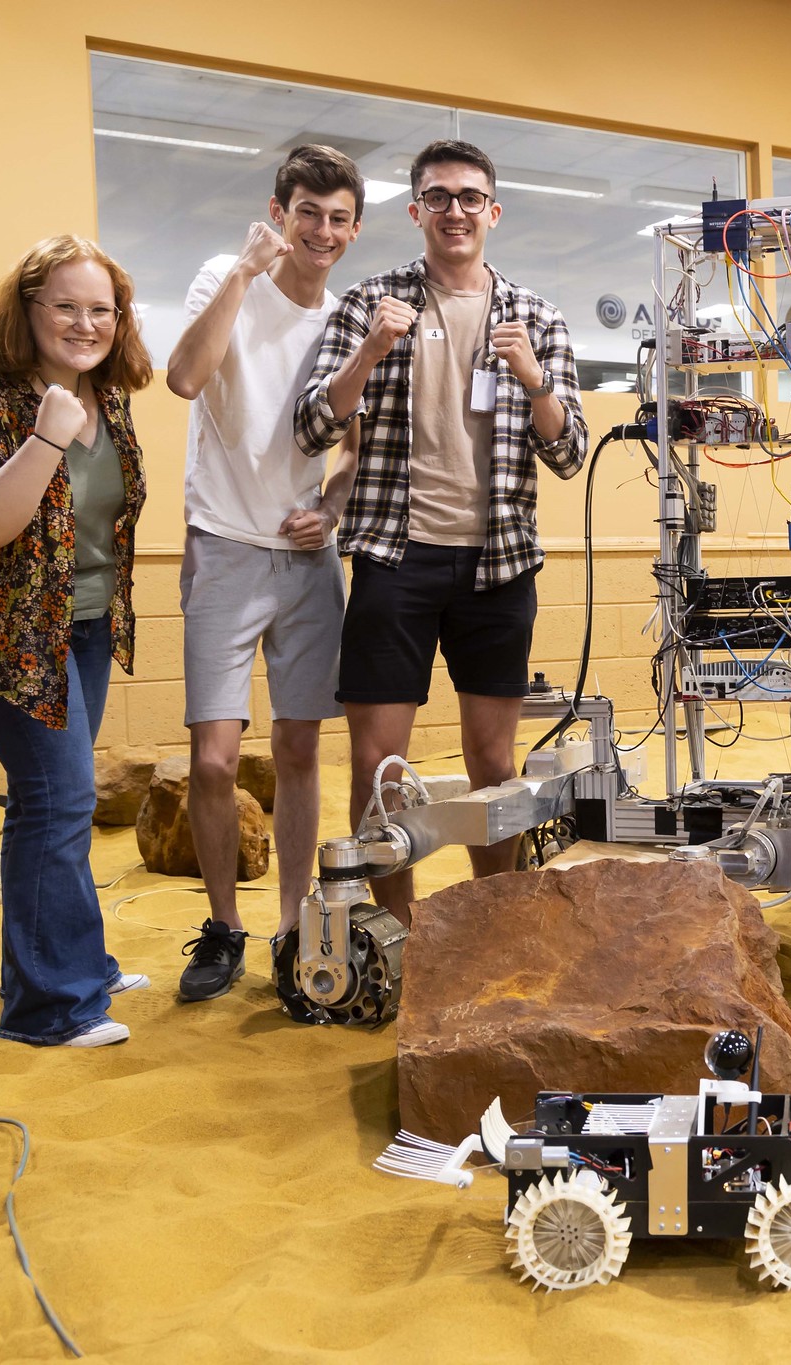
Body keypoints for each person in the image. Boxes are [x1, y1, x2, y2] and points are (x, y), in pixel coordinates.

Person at [293, 139, 585, 914]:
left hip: (498, 563)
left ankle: (499, 927)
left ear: (492, 211)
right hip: (396, 555)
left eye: (469, 197)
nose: (454, 210)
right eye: (438, 196)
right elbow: (314, 426)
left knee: (495, 760)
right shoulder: (368, 303)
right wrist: (371, 349)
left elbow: (568, 452)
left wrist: (534, 380)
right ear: (416, 209)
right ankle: (395, 935)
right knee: (379, 766)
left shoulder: (537, 318)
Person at [0, 236, 153, 1047]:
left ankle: (61, 963)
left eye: (102, 309)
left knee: (51, 799)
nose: (85, 324)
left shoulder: (107, 393)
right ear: (27, 308)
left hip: (80, 622)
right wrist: (45, 437)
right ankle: (53, 1008)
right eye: (66, 305)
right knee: (60, 798)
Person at [163, 145, 366, 1004]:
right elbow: (183, 376)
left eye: (338, 218)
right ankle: (225, 928)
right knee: (214, 759)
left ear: (354, 229)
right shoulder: (227, 273)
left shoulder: (351, 318)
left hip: (307, 555)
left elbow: (360, 447)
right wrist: (245, 274)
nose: (321, 230)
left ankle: (289, 928)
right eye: (307, 212)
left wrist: (336, 507)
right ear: (279, 210)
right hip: (225, 542)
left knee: (297, 745)